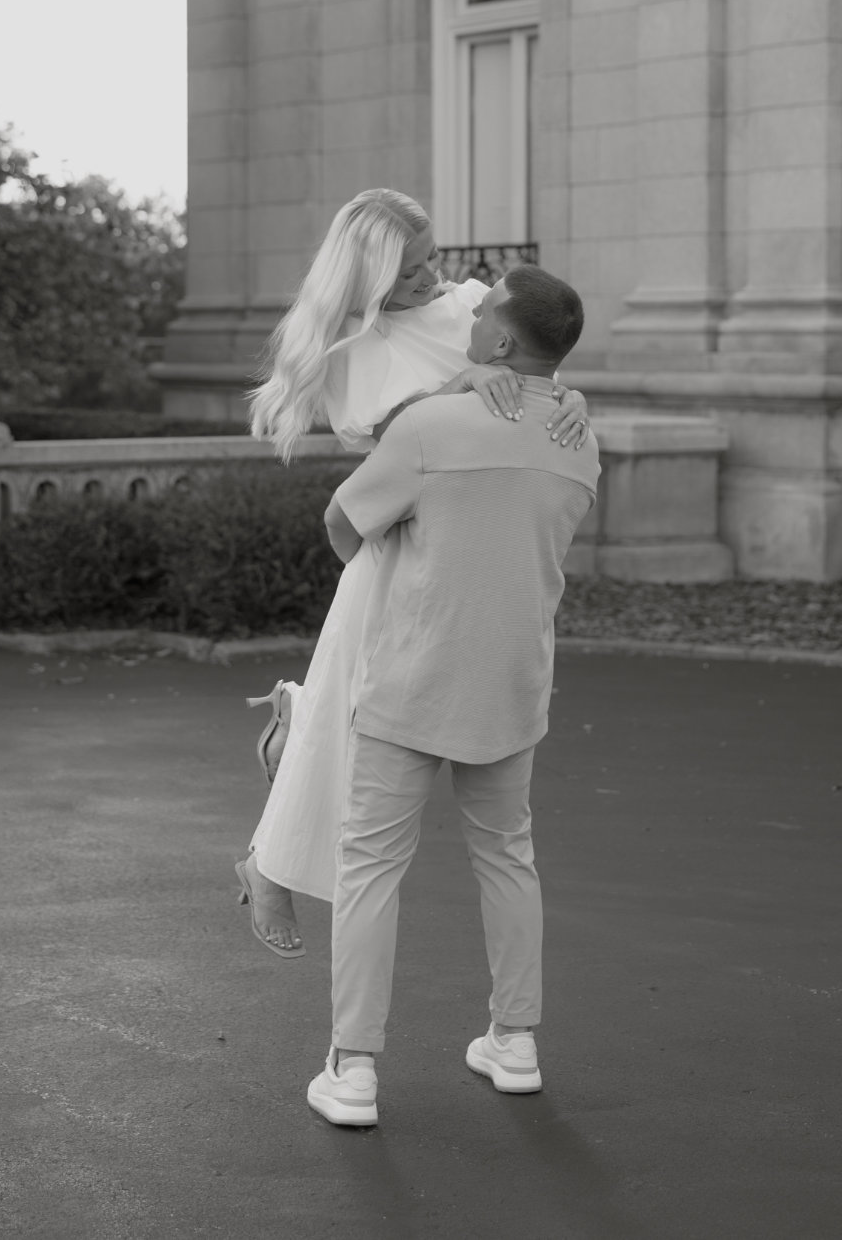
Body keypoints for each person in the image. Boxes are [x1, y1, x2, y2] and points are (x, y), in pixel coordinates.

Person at [234, 190, 591, 958]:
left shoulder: (469, 307)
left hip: (472, 549)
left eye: (433, 256)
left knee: (349, 716)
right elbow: (408, 444)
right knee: (346, 726)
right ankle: (269, 867)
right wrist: (458, 386)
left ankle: (292, 724)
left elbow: (533, 372)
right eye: (410, 270)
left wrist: (569, 397)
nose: (434, 278)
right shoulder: (350, 353)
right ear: (366, 280)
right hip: (396, 544)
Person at [306, 265, 599, 1128]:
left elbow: (341, 524)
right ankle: (514, 1043)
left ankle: (352, 1068)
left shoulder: (432, 426)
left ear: (502, 341)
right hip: (511, 685)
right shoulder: (581, 436)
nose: (467, 320)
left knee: (368, 870)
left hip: (411, 682)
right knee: (506, 856)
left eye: (483, 314)